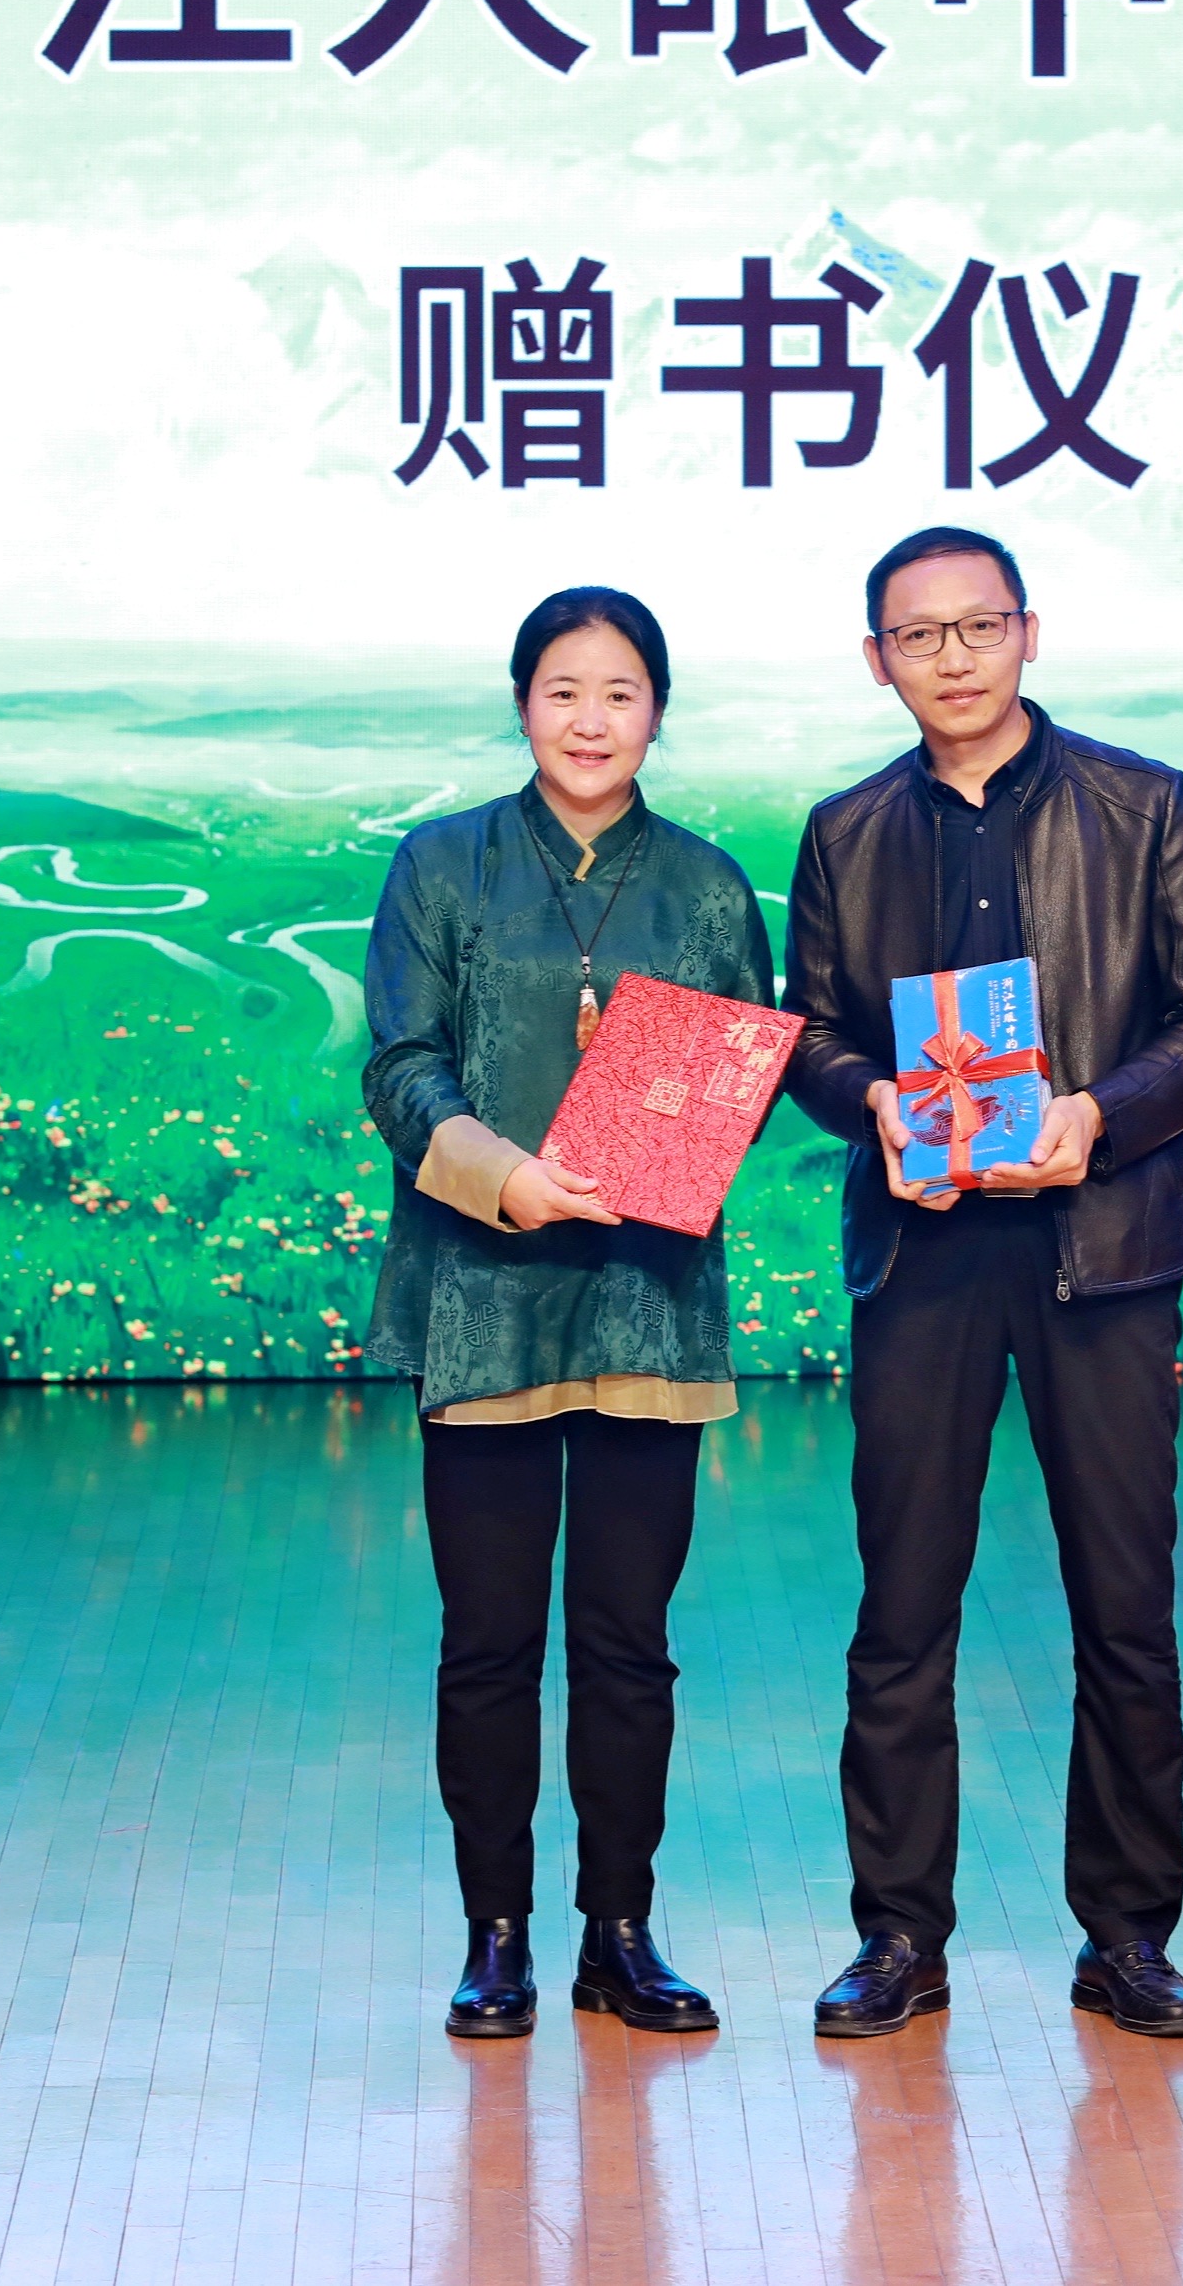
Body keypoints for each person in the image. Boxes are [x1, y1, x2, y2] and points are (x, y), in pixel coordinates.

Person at [777, 526, 1183, 2040]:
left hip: (1098, 1251)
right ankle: (896, 1934)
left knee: (1124, 1603)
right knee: (902, 1605)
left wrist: (1094, 1116)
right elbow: (810, 1031)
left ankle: (1128, 1935)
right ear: (878, 662)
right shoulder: (846, 831)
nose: (955, 657)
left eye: (980, 625)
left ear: (1029, 633)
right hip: (923, 1253)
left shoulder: (1142, 803)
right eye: (920, 636)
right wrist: (874, 1102)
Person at [360, 586, 775, 2042]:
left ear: (657, 710)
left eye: (620, 693)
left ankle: (621, 1928)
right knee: (487, 1641)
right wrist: (503, 1175)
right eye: (562, 690)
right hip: (485, 1296)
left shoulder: (710, 886)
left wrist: (677, 1139)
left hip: (648, 1303)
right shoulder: (441, 863)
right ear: (521, 703)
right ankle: (496, 1934)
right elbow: (400, 1062)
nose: (590, 720)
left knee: (627, 1642)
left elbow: (738, 1073)